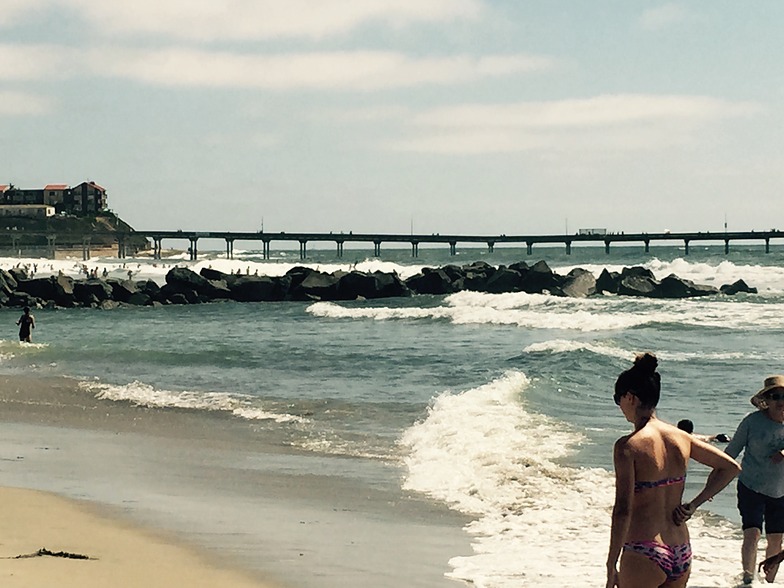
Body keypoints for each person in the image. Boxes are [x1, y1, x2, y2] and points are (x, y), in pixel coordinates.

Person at [606, 353, 741, 588]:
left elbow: (623, 511)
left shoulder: (628, 446)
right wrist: (693, 505)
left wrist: (611, 565)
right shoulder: (681, 437)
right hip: (680, 549)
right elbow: (730, 467)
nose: (619, 407)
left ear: (630, 398)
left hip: (644, 549)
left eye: (617, 399)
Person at [725, 375, 784, 584]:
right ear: (766, 400)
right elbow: (729, 454)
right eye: (776, 397)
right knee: (753, 533)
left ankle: (769, 582)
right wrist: (712, 485)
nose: (781, 402)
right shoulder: (752, 421)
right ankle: (749, 579)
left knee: (776, 539)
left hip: (781, 491)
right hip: (751, 486)